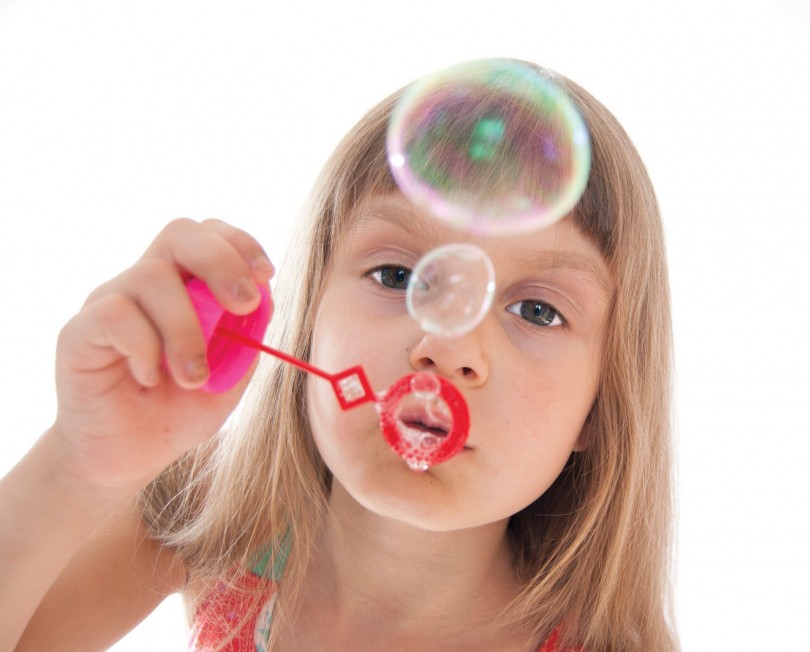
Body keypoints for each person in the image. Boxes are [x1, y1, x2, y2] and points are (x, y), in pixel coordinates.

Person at [0, 59, 677, 651]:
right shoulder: (213, 516)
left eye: (537, 310)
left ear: (602, 404)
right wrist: (79, 466)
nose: (444, 347)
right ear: (310, 314)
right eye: (398, 276)